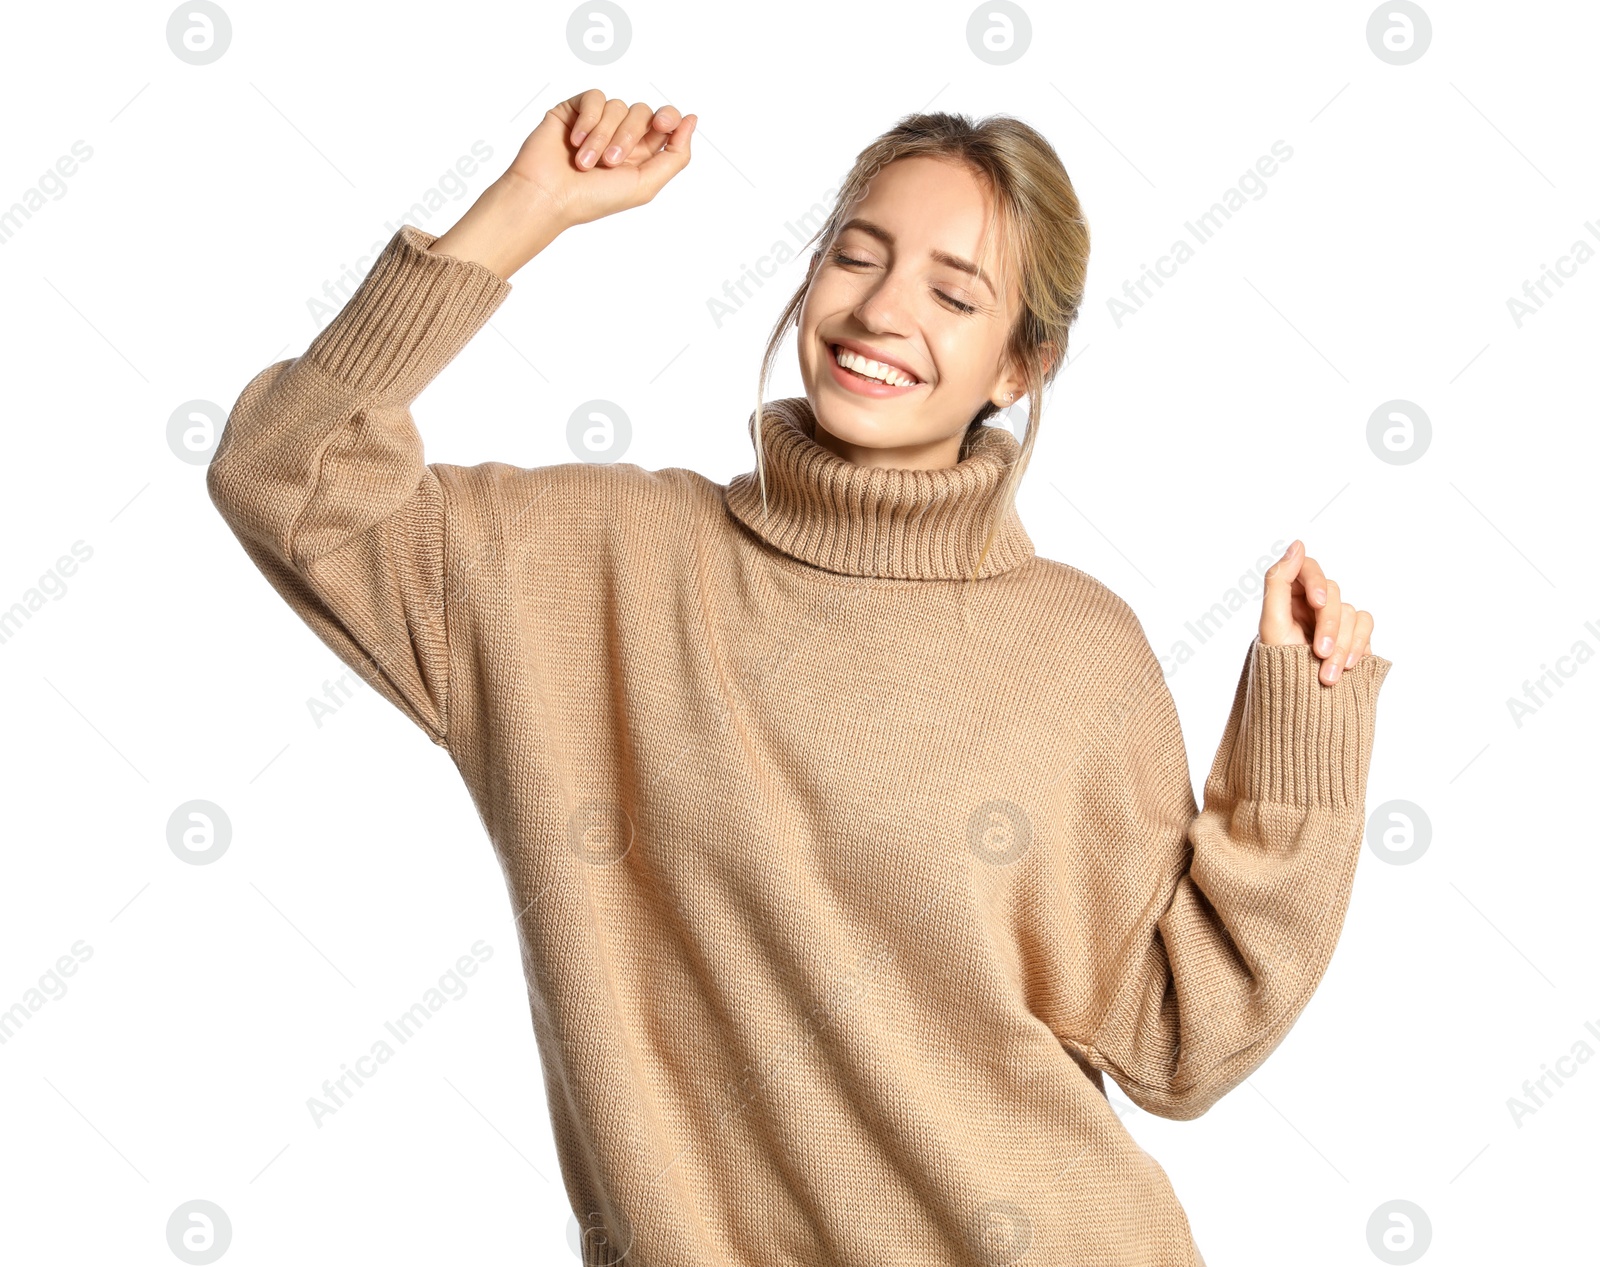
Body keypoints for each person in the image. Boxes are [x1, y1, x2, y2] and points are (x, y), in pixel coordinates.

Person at [207, 88, 1392, 1266]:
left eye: (952, 291)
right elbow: (287, 479)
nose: (879, 310)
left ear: (1019, 367)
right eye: (854, 257)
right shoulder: (590, 570)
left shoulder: (1072, 652)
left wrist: (1302, 737)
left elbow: (1178, 1037)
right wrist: (528, 208)